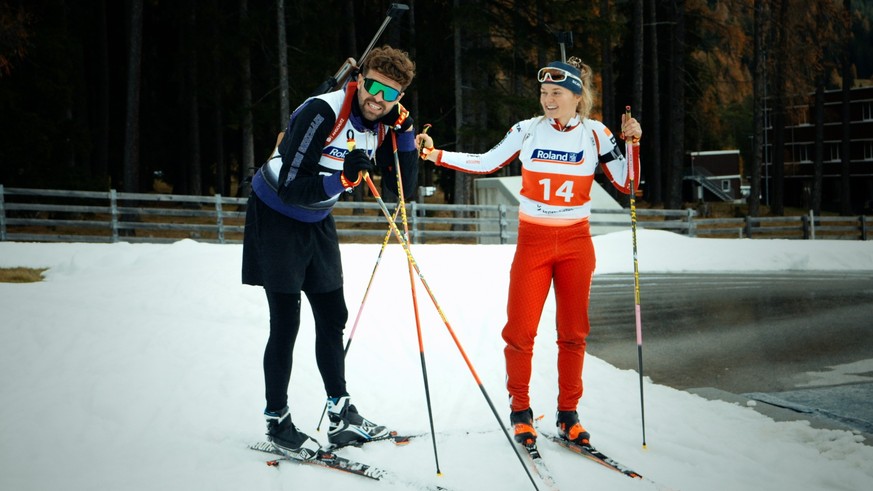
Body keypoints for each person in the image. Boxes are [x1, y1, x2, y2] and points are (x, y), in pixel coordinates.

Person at [415, 57, 641, 447]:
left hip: (575, 243)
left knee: (573, 334)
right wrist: (437, 155)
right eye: (543, 93)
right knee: (520, 332)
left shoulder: (597, 134)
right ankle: (520, 411)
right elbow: (486, 162)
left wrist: (632, 142)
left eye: (557, 93)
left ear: (576, 95)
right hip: (533, 241)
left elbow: (629, 183)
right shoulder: (526, 130)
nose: (548, 100)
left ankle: (568, 415)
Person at [242, 45, 419, 459]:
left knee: (332, 316)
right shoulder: (321, 112)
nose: (378, 98)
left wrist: (406, 133)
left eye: (390, 93)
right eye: (373, 86)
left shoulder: (385, 121)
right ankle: (277, 419)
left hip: (317, 219)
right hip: (276, 215)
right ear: (360, 80)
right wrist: (342, 178)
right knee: (286, 322)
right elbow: (289, 185)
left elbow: (403, 191)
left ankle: (340, 412)